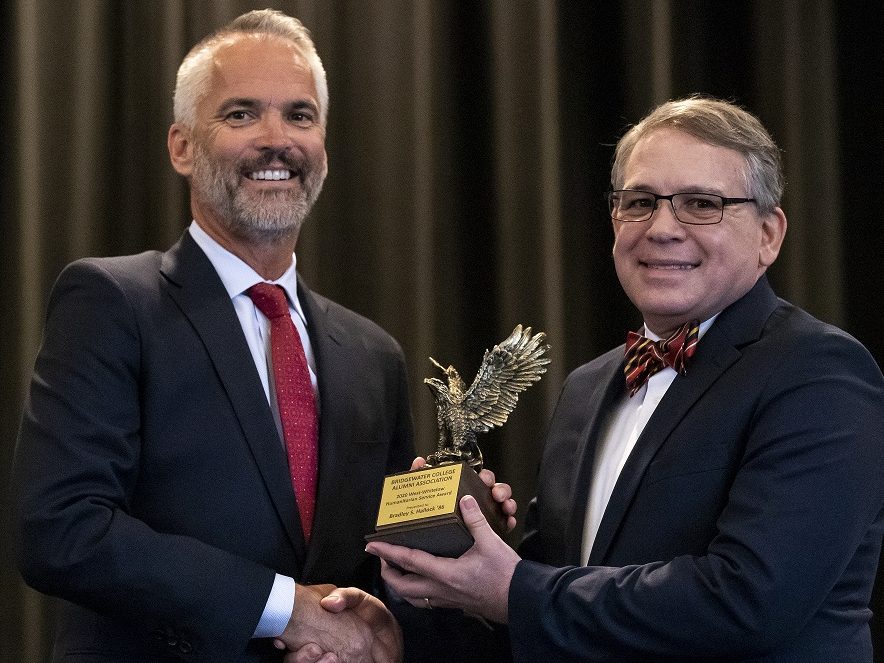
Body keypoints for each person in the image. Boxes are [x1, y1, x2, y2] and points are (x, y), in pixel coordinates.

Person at [10, 9, 516, 663]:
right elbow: (60, 529)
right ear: (182, 146)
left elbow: (378, 577)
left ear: (324, 150)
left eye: (299, 115)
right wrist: (285, 606)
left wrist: (456, 539)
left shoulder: (373, 355)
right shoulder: (111, 303)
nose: (276, 139)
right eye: (241, 114)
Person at [367, 96, 884, 661]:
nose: (662, 228)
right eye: (639, 202)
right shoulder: (587, 388)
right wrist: (438, 568)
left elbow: (747, 601)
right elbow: (544, 624)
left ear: (768, 233)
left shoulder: (819, 373)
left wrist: (513, 589)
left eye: (701, 204)